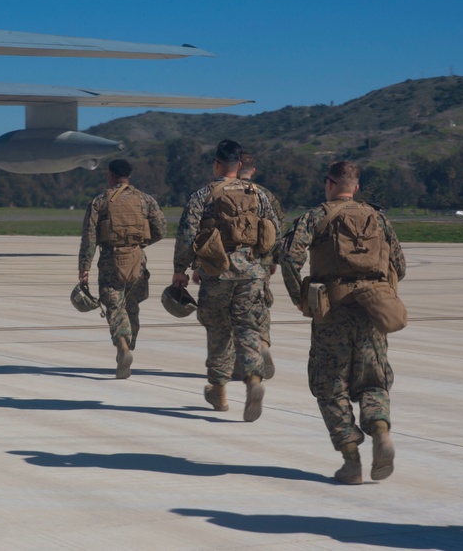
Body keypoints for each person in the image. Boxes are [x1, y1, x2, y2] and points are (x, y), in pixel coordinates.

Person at [280, 160, 406, 484]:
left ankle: (351, 462)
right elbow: (400, 265)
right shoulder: (377, 217)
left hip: (332, 314)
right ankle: (381, 432)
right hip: (372, 312)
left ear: (329, 183)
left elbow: (289, 257)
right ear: (357, 187)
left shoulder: (315, 216)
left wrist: (299, 297)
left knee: (330, 386)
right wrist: (380, 291)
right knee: (373, 381)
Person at [173, 139, 281, 421]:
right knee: (248, 328)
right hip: (252, 273)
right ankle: (254, 381)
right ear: (239, 166)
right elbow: (274, 231)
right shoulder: (259, 195)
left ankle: (219, 393)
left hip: (217, 272)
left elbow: (187, 233)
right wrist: (265, 262)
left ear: (217, 165)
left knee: (219, 330)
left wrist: (180, 269)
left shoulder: (204, 195)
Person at [79, 159, 167, 379]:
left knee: (115, 308)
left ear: (110, 176)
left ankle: (122, 345)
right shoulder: (146, 200)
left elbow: (89, 239)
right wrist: (139, 245)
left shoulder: (100, 202)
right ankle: (129, 345)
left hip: (110, 260)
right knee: (132, 307)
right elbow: (161, 230)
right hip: (137, 261)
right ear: (129, 175)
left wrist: (84, 268)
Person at [235, 150, 284, 380]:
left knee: (233, 312)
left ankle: (240, 361)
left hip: (230, 262)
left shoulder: (219, 192)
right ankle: (263, 342)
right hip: (260, 262)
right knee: (259, 306)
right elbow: (278, 228)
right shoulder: (264, 195)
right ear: (252, 171)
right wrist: (273, 258)